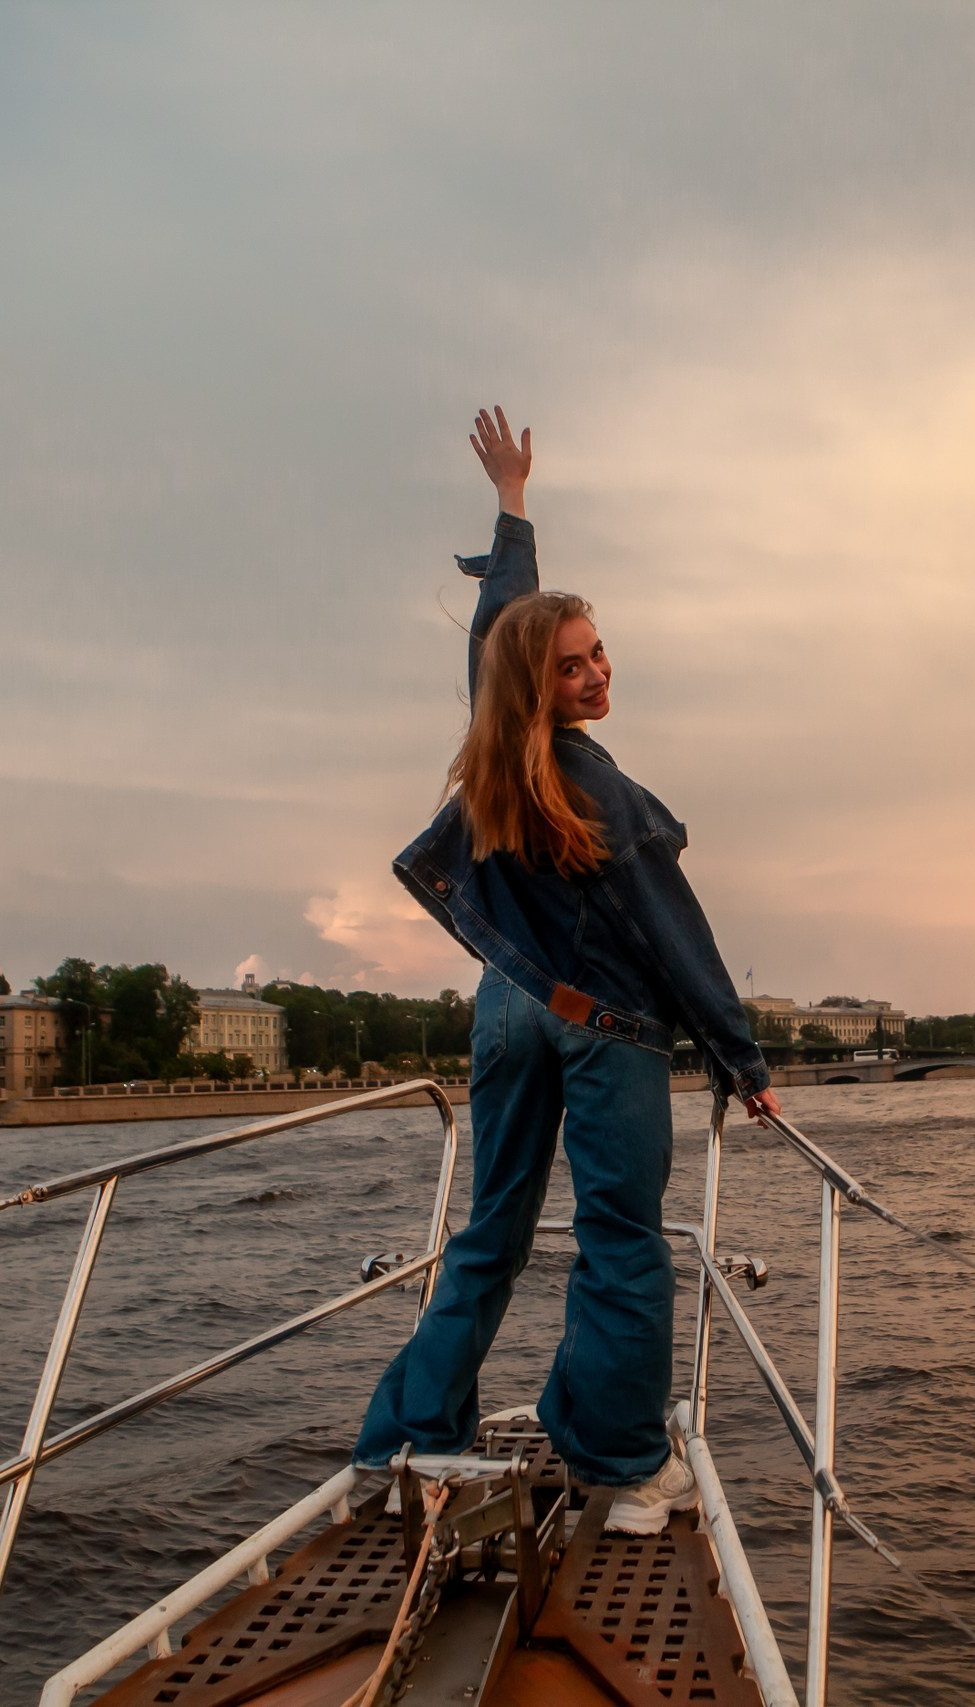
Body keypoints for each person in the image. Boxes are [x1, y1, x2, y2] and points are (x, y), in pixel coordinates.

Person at [352, 407, 780, 1535]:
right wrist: (743, 1059)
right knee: (621, 1243)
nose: (596, 673)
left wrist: (515, 509)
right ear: (539, 684)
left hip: (506, 1010)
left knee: (490, 1233)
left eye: (598, 652)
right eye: (575, 665)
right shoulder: (603, 796)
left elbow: (500, 624)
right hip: (601, 1027)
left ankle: (409, 1441)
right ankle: (624, 1467)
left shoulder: (496, 752)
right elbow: (670, 935)